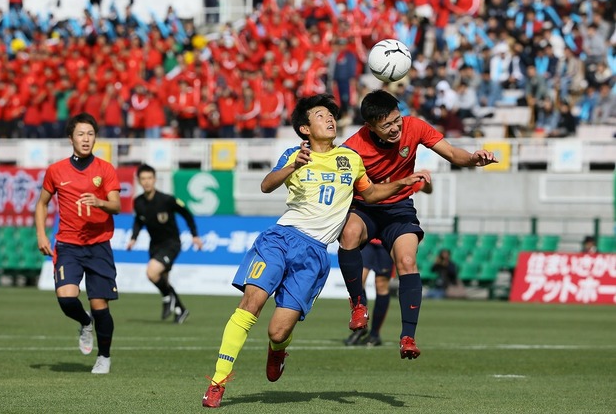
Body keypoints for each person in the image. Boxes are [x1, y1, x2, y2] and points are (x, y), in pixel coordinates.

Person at [202, 94, 431, 408]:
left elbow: (372, 194)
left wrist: (403, 181)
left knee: (278, 331)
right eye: (321, 115)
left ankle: (277, 349)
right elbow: (267, 185)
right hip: (280, 239)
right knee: (251, 302)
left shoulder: (350, 159)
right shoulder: (294, 153)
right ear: (304, 128)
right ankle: (218, 382)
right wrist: (292, 165)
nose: (330, 119)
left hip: (314, 255)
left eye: (331, 115)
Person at [339, 89, 497, 360]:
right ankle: (358, 305)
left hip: (399, 210)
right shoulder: (352, 148)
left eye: (396, 120)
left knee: (408, 262)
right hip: (366, 207)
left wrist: (473, 158)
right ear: (370, 126)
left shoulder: (415, 126)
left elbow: (451, 153)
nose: (394, 128)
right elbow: (362, 192)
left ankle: (407, 337)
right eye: (386, 125)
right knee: (349, 234)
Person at [35, 112, 121, 374]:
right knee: (66, 297)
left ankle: (104, 356)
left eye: (91, 134)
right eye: (81, 134)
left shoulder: (105, 169)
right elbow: (42, 204)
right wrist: (41, 234)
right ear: (70, 138)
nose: (86, 139)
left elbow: (116, 205)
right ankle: (85, 323)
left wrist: (100, 203)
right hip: (68, 245)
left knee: (100, 306)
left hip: (98, 245)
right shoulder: (56, 170)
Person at [345, 174, 433, 347]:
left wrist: (429, 182)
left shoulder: (401, 177)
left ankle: (375, 334)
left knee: (381, 285)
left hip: (388, 238)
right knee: (359, 278)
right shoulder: (365, 175)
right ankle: (361, 320)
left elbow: (426, 189)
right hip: (368, 237)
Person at [126, 164, 203, 323]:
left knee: (152, 272)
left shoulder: (166, 199)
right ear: (139, 181)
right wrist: (133, 238)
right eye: (143, 179)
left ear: (154, 179)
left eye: (149, 178)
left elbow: (186, 214)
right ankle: (181, 310)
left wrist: (194, 235)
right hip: (154, 246)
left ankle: (167, 297)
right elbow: (138, 221)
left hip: (171, 244)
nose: (147, 182)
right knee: (164, 280)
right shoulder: (138, 202)